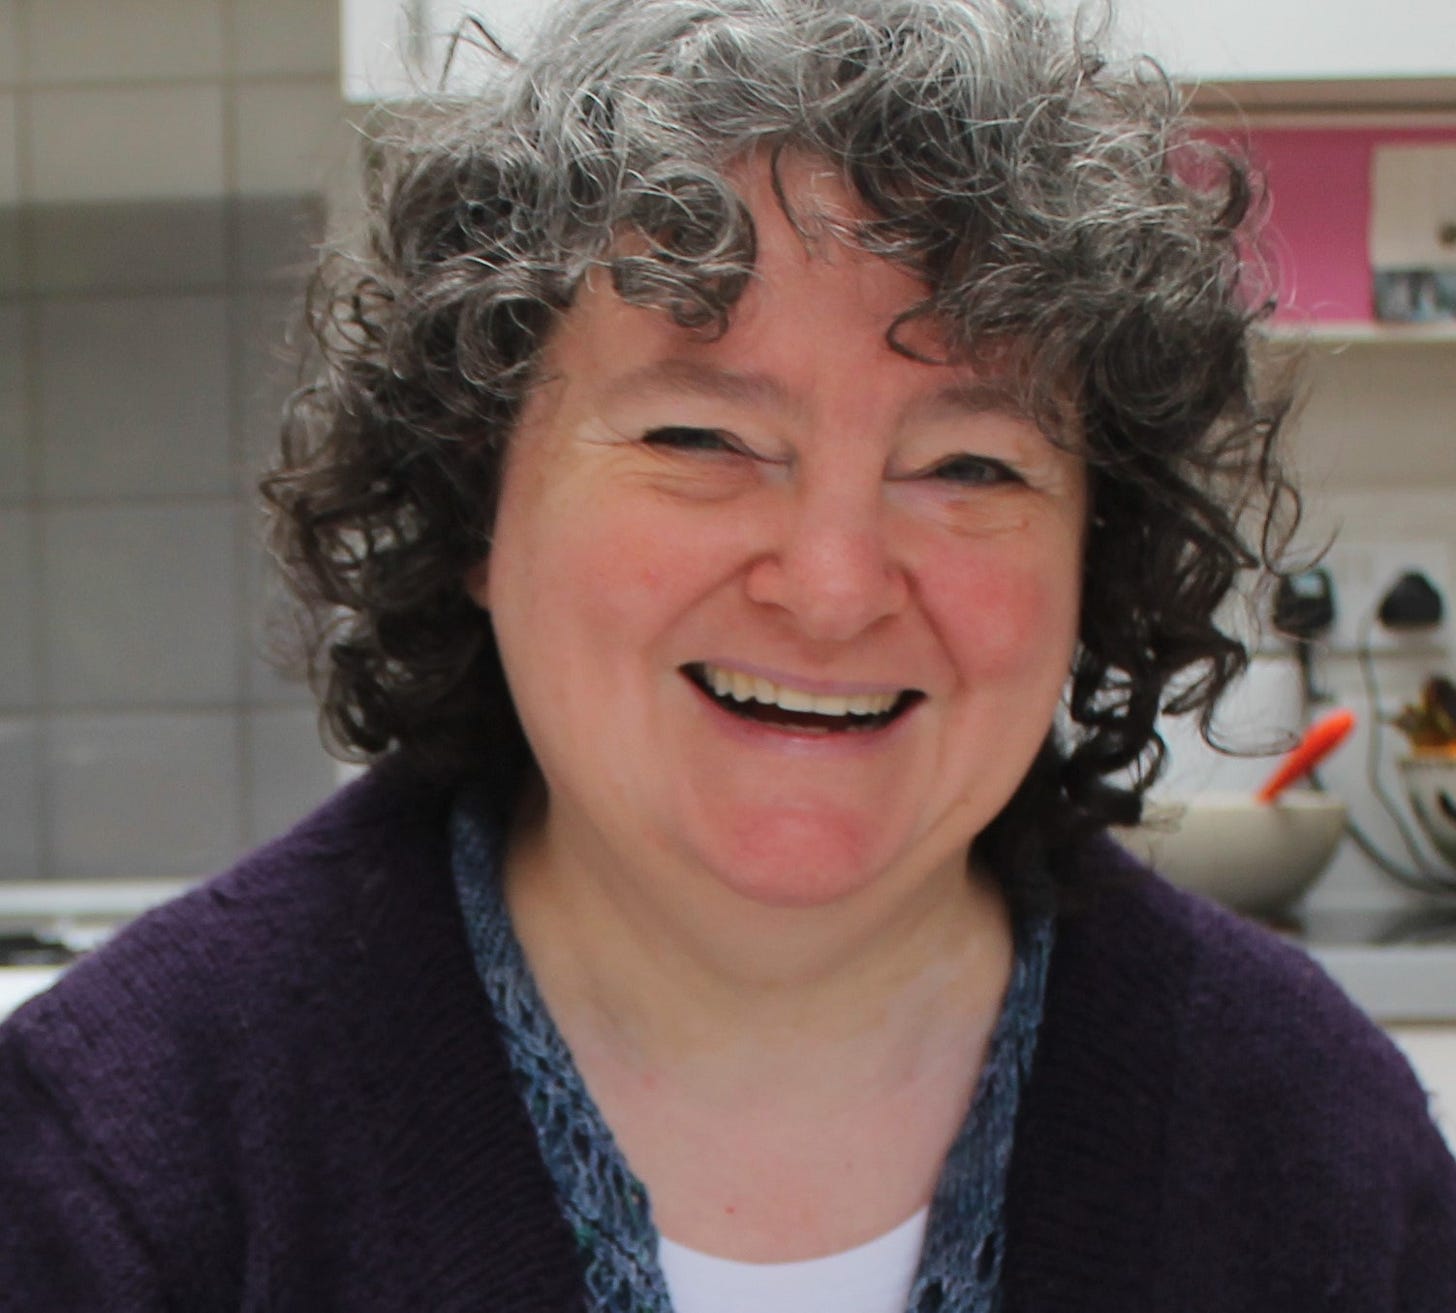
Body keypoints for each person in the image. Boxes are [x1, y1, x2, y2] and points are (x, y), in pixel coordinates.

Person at [2, 0, 1454, 1308]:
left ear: (1096, 546)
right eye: (699, 438)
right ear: (474, 502)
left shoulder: (1314, 1150)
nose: (831, 588)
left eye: (969, 464)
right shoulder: (126, 1170)